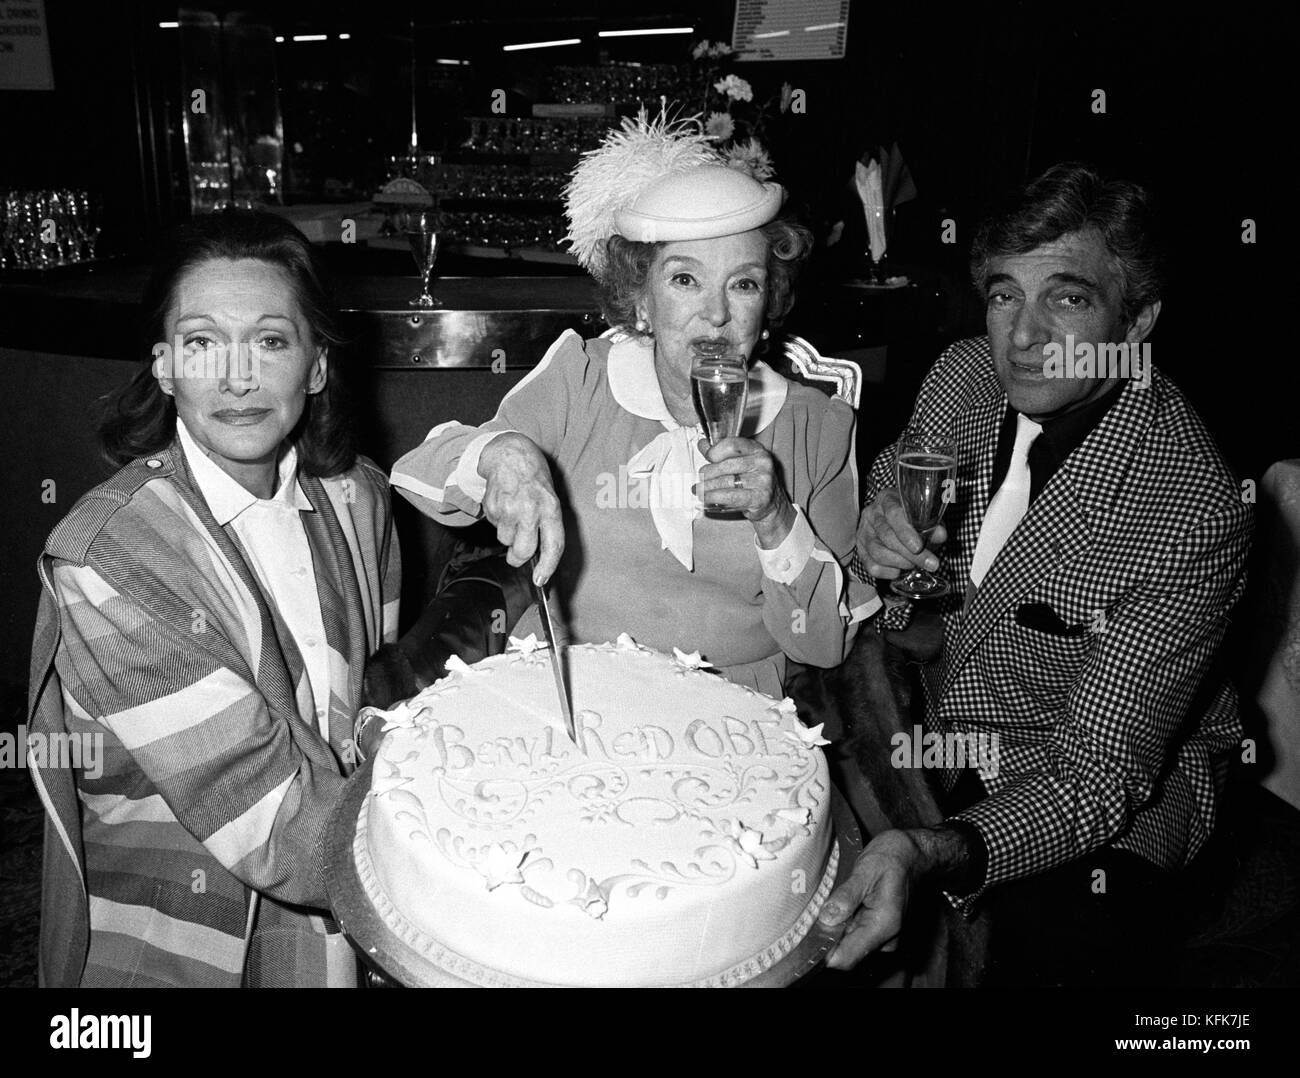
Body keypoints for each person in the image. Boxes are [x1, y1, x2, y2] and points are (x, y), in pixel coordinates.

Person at [819, 163, 1253, 986]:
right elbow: (892, 494)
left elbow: (1096, 773)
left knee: (1027, 953)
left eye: (1069, 298)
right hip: (935, 715)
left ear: (1139, 320)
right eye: (1004, 294)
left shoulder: (1189, 508)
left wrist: (933, 849)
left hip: (1100, 789)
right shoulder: (963, 376)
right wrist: (877, 542)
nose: (1021, 337)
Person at [27, 211, 400, 987]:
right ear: (164, 367)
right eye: (202, 343)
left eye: (271, 341)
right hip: (179, 948)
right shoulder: (107, 561)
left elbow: (380, 710)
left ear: (318, 365)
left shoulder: (358, 498)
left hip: (347, 929)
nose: (237, 377)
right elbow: (272, 828)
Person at [387, 113, 878, 699]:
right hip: (572, 690)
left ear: (768, 301)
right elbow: (419, 471)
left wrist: (776, 520)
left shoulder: (815, 427)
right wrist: (500, 452)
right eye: (685, 280)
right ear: (641, 299)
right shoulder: (583, 380)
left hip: (732, 715)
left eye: (743, 284)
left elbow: (823, 644)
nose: (717, 315)